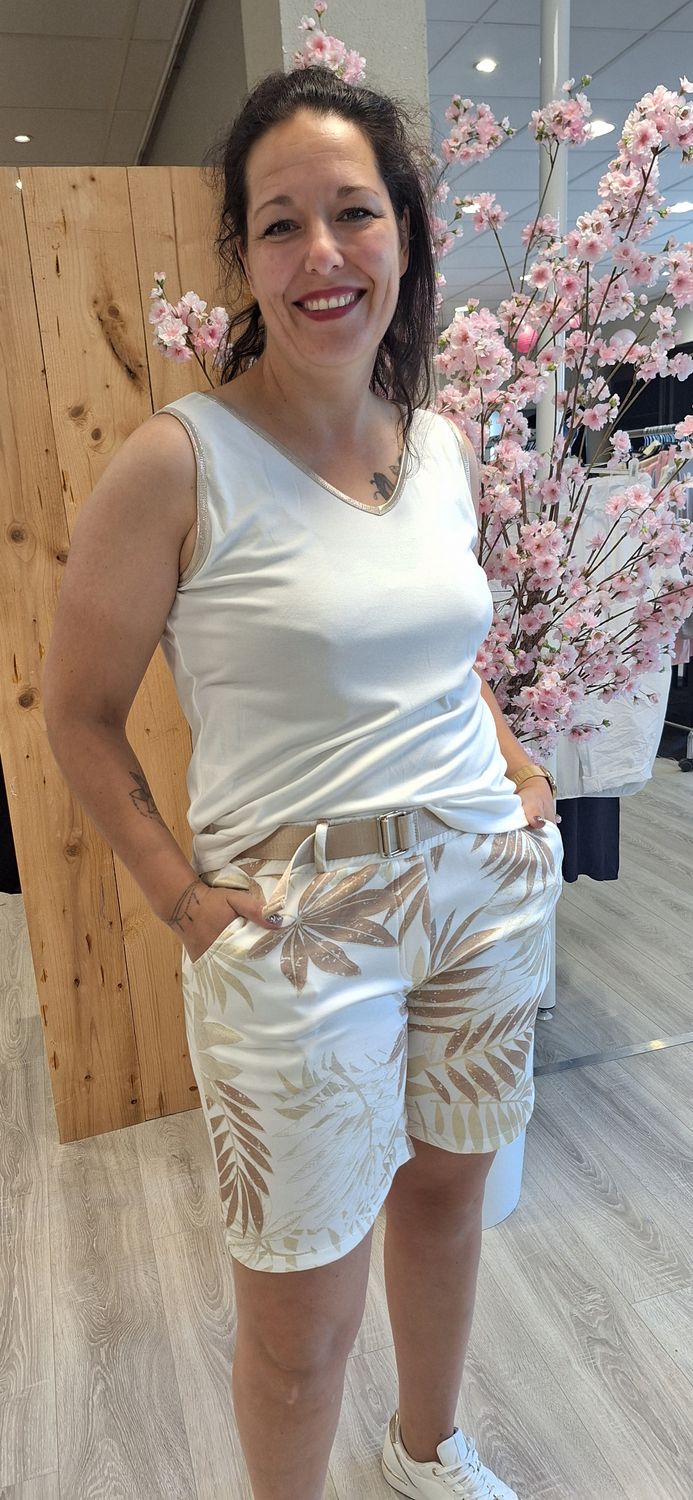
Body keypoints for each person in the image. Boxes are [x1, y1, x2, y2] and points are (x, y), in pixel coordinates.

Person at [44, 64, 562, 1500]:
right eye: (281, 223)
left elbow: (440, 650)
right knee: (297, 1319)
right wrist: (184, 903)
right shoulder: (178, 462)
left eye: (353, 212)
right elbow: (77, 715)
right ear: (245, 258)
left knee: (449, 1202)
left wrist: (516, 765)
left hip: (481, 889)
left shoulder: (439, 446)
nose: (322, 253)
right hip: (298, 930)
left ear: (403, 231)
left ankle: (427, 1451)